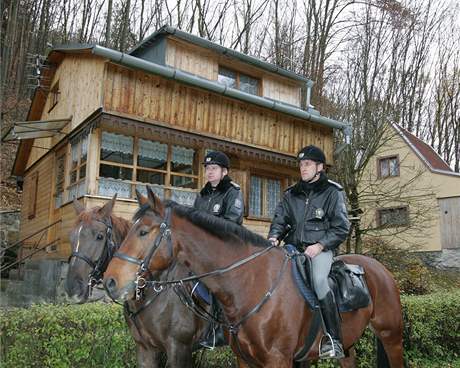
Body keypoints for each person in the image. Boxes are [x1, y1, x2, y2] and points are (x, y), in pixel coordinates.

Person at [268, 145, 350, 359]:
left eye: (308, 164)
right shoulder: (291, 194)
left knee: (319, 280)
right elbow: (280, 220)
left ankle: (334, 340)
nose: (303, 168)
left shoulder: (333, 192)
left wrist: (320, 245)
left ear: (320, 167)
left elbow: (341, 227)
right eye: (301, 164)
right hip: (292, 248)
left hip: (320, 250)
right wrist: (273, 237)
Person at [193, 150, 244, 348]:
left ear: (224, 171)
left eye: (214, 168)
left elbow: (232, 222)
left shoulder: (233, 191)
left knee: (215, 279)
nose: (209, 172)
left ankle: (218, 332)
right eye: (207, 168)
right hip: (203, 249)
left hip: (227, 247)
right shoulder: (203, 195)